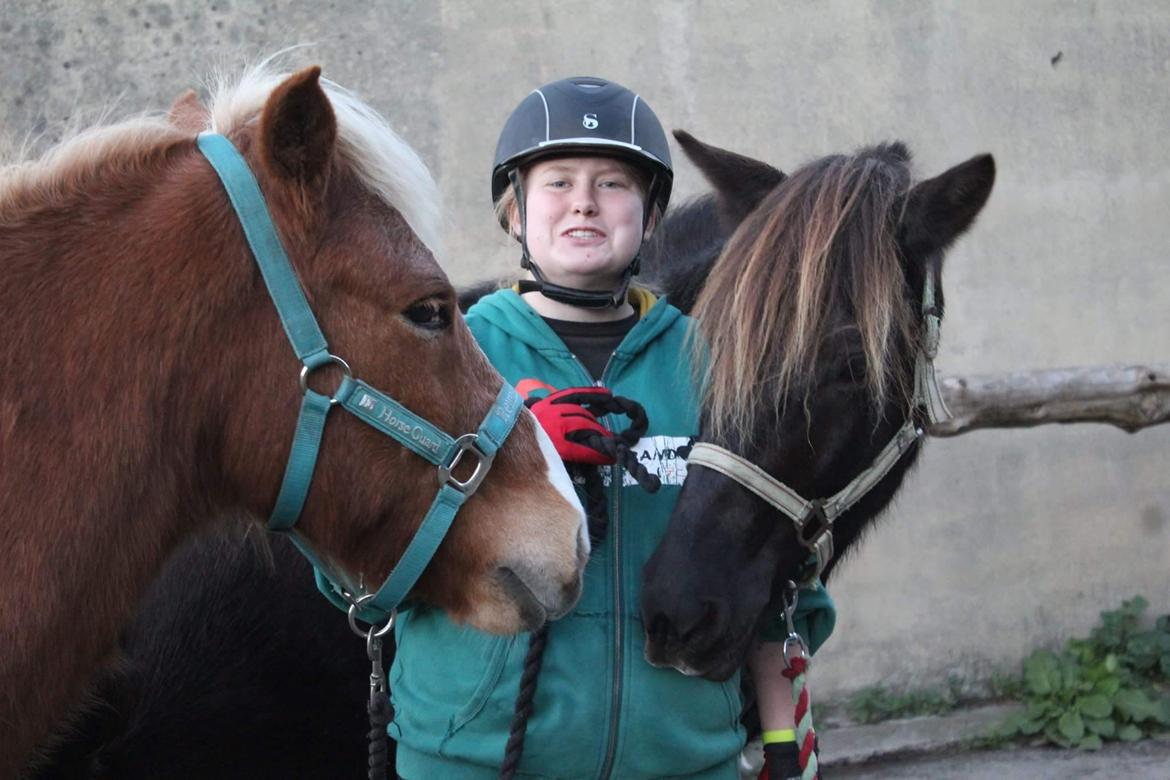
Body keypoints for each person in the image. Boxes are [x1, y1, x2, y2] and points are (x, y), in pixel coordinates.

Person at [359, 76, 834, 779]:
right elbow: (356, 574)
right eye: (557, 181)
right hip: (476, 760)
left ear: (650, 215)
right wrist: (497, 458)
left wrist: (784, 751)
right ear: (515, 213)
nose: (583, 200)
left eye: (613, 183)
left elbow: (776, 588)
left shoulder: (716, 368)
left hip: (684, 761)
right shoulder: (445, 356)